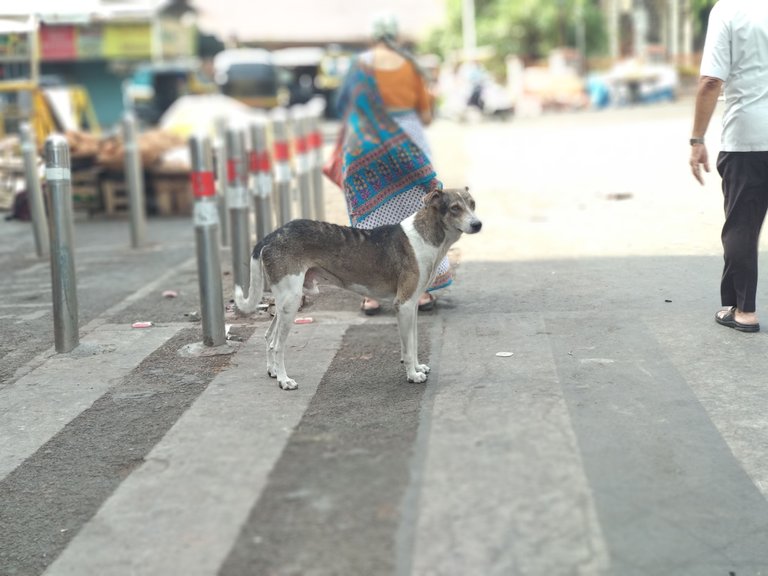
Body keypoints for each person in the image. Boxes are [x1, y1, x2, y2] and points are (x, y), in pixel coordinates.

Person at [335, 12, 449, 316]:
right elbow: (425, 115)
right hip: (407, 142)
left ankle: (371, 296)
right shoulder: (410, 65)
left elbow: (344, 107)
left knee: (367, 223)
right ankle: (420, 292)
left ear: (372, 36)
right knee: (419, 214)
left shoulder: (359, 66)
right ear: (395, 35)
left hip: (364, 144)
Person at [690, 0, 768, 333]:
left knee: (742, 226)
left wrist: (697, 139)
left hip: (748, 137)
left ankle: (744, 311)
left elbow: (711, 81)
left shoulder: (729, 10)